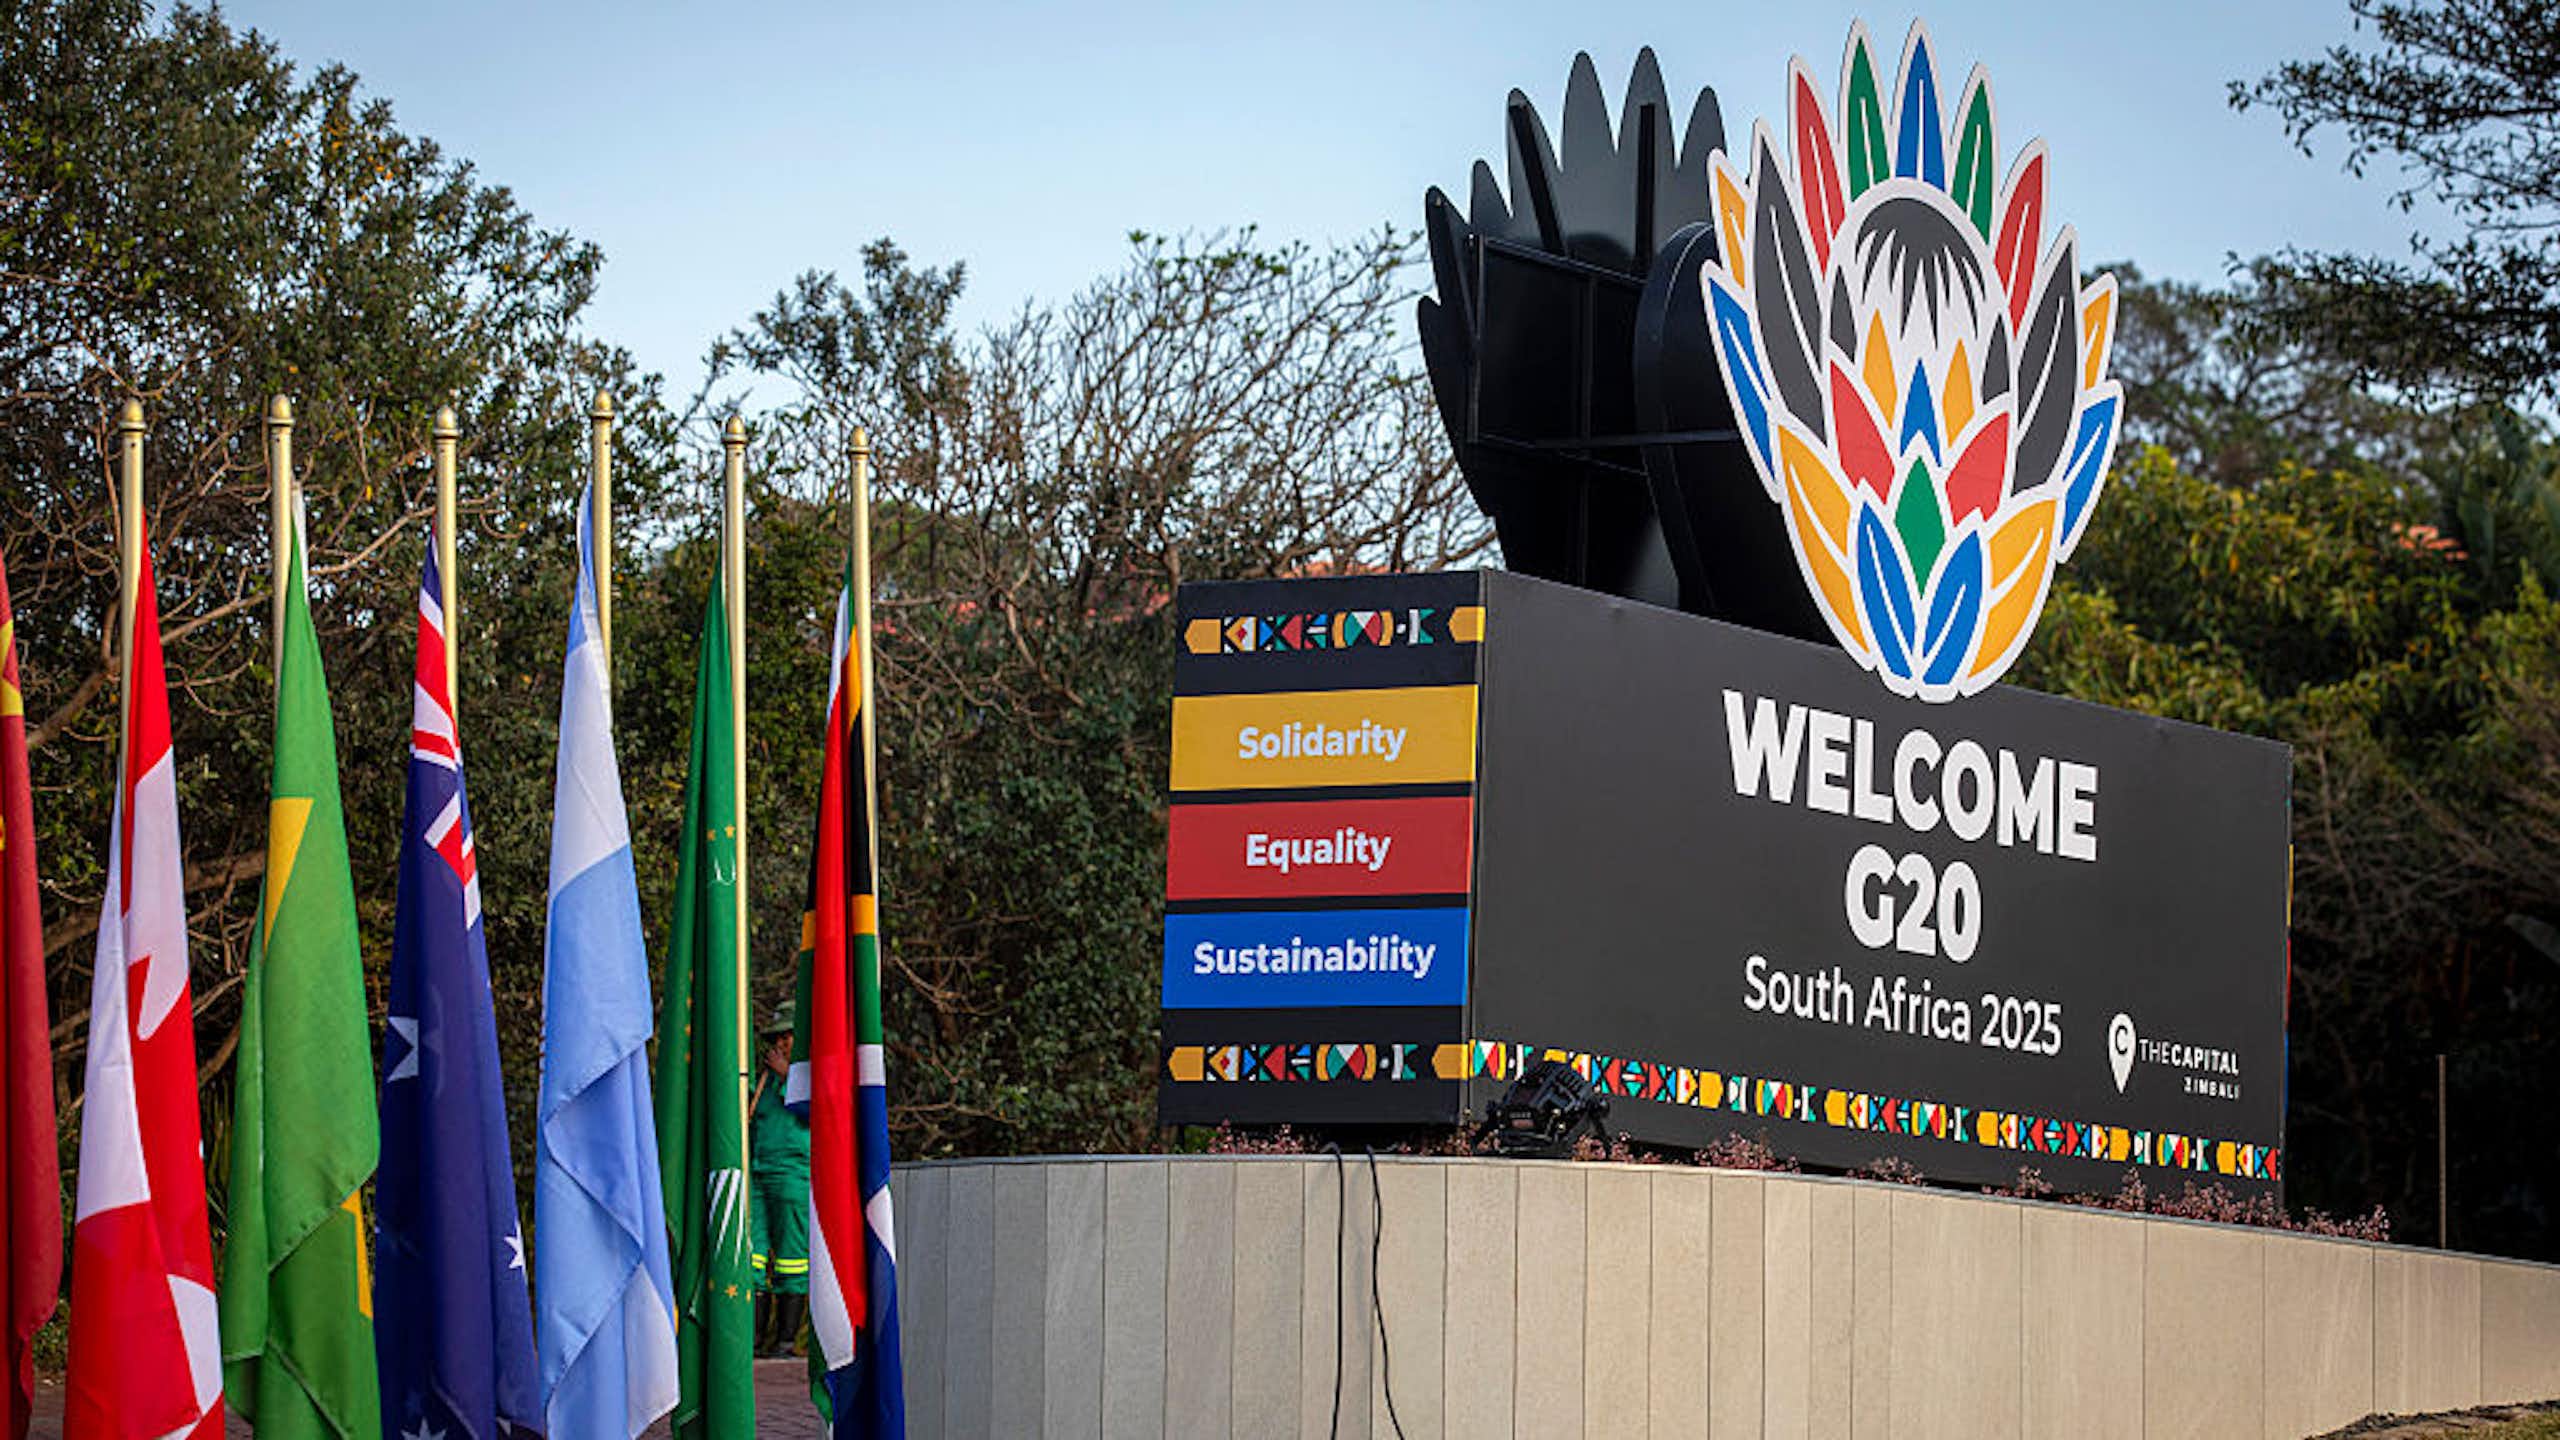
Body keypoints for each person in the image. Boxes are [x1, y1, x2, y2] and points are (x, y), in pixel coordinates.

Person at [749, 1006, 810, 1356]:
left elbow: (818, 1109)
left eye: (788, 1036)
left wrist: (789, 1076)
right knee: (753, 1257)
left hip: (793, 1172)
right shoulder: (763, 1079)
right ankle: (755, 1338)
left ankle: (786, 1341)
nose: (782, 1043)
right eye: (777, 1038)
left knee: (791, 1258)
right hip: (758, 1173)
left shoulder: (808, 1073)